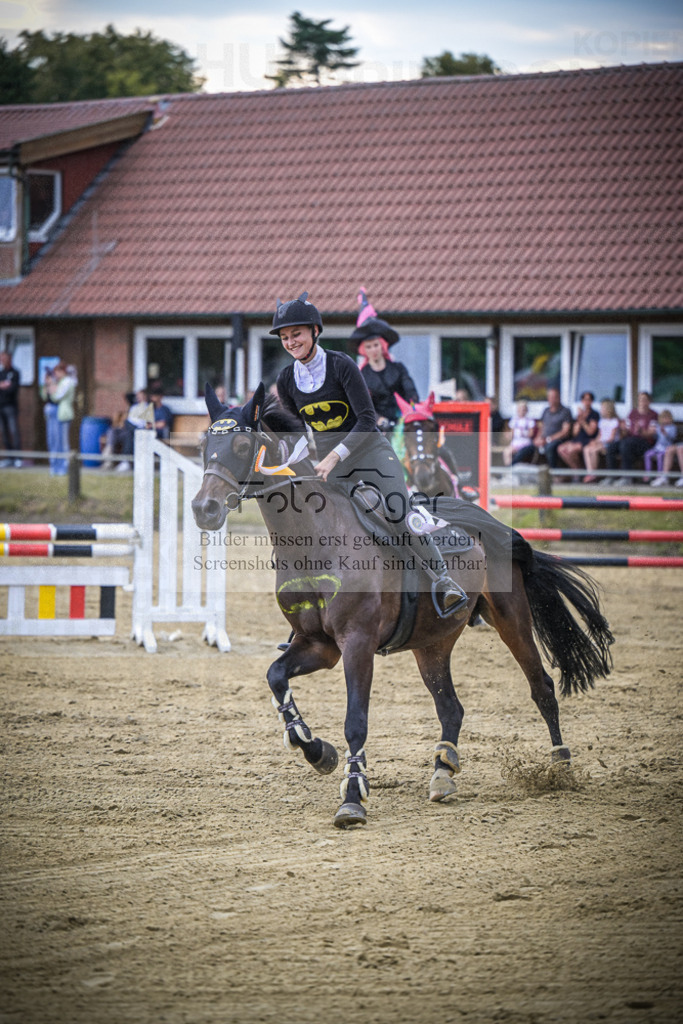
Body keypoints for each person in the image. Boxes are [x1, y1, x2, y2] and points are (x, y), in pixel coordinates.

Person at [273, 291, 468, 618]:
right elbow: (296, 431)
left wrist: (334, 455)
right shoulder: (285, 379)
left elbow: (365, 418)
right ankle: (314, 607)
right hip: (329, 463)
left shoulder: (342, 365)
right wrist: (291, 461)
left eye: (297, 334)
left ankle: (443, 580)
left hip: (371, 452)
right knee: (320, 523)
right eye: (284, 337)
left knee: (398, 509)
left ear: (314, 332)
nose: (291, 342)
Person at [348, 287, 418, 433]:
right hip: (376, 426)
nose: (373, 350)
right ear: (364, 350)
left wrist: (411, 410)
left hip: (402, 422)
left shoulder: (398, 369)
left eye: (376, 345)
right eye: (369, 347)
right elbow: (363, 405)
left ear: (382, 346)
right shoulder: (361, 375)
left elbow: (410, 392)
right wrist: (378, 419)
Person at [606, 391, 658, 486]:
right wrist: (623, 429)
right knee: (611, 447)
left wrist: (641, 432)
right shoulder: (633, 413)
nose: (642, 402)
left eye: (644, 399)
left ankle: (627, 477)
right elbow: (627, 431)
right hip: (630, 441)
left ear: (649, 401)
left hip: (645, 443)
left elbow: (652, 434)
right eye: (640, 399)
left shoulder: (653, 415)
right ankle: (611, 476)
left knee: (625, 445)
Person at [512, 387, 572, 467]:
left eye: (553, 397)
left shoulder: (565, 411)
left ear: (558, 398)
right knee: (525, 449)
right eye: (549, 397)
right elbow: (542, 427)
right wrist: (538, 438)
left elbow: (565, 432)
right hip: (544, 439)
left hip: (558, 440)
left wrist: (549, 439)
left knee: (550, 448)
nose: (551, 400)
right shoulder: (546, 411)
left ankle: (552, 473)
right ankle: (510, 469)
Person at [41, 361, 76, 476]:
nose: (56, 375)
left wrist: (51, 386)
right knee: (53, 441)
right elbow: (45, 395)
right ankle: (55, 467)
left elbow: (56, 397)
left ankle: (65, 468)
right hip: (55, 414)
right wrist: (47, 385)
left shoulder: (67, 382)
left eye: (57, 372)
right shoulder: (60, 382)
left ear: (62, 372)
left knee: (63, 443)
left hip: (63, 415)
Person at [556, 391, 600, 479]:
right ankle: (577, 469)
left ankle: (580, 472)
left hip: (588, 440)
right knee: (561, 449)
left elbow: (590, 432)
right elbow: (575, 433)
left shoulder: (594, 414)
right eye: (584, 400)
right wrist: (579, 420)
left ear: (591, 401)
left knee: (570, 450)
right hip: (578, 439)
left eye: (588, 400)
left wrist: (583, 422)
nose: (586, 402)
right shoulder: (580, 415)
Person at [582, 398, 622, 483]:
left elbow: (612, 438)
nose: (601, 410)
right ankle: (590, 472)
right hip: (602, 442)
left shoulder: (614, 421)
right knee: (587, 449)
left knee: (593, 450)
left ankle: (594, 474)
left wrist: (600, 443)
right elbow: (599, 435)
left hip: (611, 444)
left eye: (603, 408)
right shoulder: (602, 421)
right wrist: (595, 441)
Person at [0, 350, 22, 468]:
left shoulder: (15, 373)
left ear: (9, 359)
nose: (2, 360)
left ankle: (18, 458)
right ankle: (9, 458)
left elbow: (13, 389)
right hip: (1, 406)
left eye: (4, 358)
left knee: (14, 432)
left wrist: (4, 386)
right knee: (4, 433)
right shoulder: (1, 373)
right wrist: (3, 385)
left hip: (11, 407)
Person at [642, 410, 677, 482]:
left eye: (667, 418)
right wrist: (653, 432)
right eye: (664, 418)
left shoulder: (672, 427)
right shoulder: (659, 427)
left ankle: (660, 475)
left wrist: (665, 433)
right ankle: (648, 473)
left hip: (666, 448)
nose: (666, 420)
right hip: (657, 447)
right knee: (647, 454)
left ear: (671, 419)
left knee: (659, 456)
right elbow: (655, 437)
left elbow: (672, 438)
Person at [503, 400, 537, 466]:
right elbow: (512, 432)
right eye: (520, 409)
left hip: (525, 442)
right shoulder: (514, 420)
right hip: (515, 442)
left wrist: (523, 433)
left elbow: (531, 434)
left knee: (520, 454)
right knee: (507, 452)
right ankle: (508, 469)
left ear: (526, 411)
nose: (521, 411)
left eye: (523, 410)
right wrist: (508, 435)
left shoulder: (529, 421)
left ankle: (513, 467)